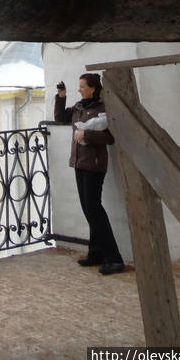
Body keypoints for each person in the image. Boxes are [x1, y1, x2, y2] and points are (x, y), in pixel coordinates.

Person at [55, 73, 124, 275]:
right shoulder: (79, 107)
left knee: (94, 210)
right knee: (88, 209)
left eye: (83, 86)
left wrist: (87, 134)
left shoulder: (102, 109)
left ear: (93, 88)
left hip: (94, 165)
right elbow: (60, 118)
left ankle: (114, 257)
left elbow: (110, 137)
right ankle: (96, 253)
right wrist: (61, 96)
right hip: (79, 163)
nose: (80, 89)